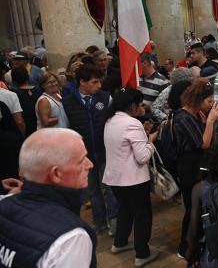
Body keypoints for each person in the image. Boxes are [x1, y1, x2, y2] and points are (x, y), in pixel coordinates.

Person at [0, 128, 96, 267]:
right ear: (56, 174)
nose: (90, 165)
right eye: (81, 161)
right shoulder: (71, 238)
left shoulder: (5, 203)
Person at [103, 88, 159, 267]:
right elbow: (142, 157)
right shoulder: (132, 124)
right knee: (142, 215)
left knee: (125, 209)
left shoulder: (111, 120)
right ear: (132, 106)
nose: (142, 107)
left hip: (114, 178)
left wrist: (142, 135)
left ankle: (119, 243)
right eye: (140, 104)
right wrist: (150, 141)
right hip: (133, 179)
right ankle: (142, 253)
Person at [62, 64, 119, 235]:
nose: (99, 85)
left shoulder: (105, 98)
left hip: (105, 152)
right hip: (84, 156)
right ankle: (99, 221)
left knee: (110, 188)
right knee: (92, 191)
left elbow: (113, 123)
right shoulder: (67, 103)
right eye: (95, 82)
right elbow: (65, 130)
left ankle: (114, 219)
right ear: (82, 82)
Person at [174, 79, 218, 258]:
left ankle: (199, 240)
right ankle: (184, 247)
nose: (210, 104)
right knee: (191, 207)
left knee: (199, 205)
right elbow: (203, 143)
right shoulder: (182, 118)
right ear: (198, 99)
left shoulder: (194, 114)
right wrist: (210, 120)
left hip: (197, 165)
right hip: (188, 167)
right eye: (208, 101)